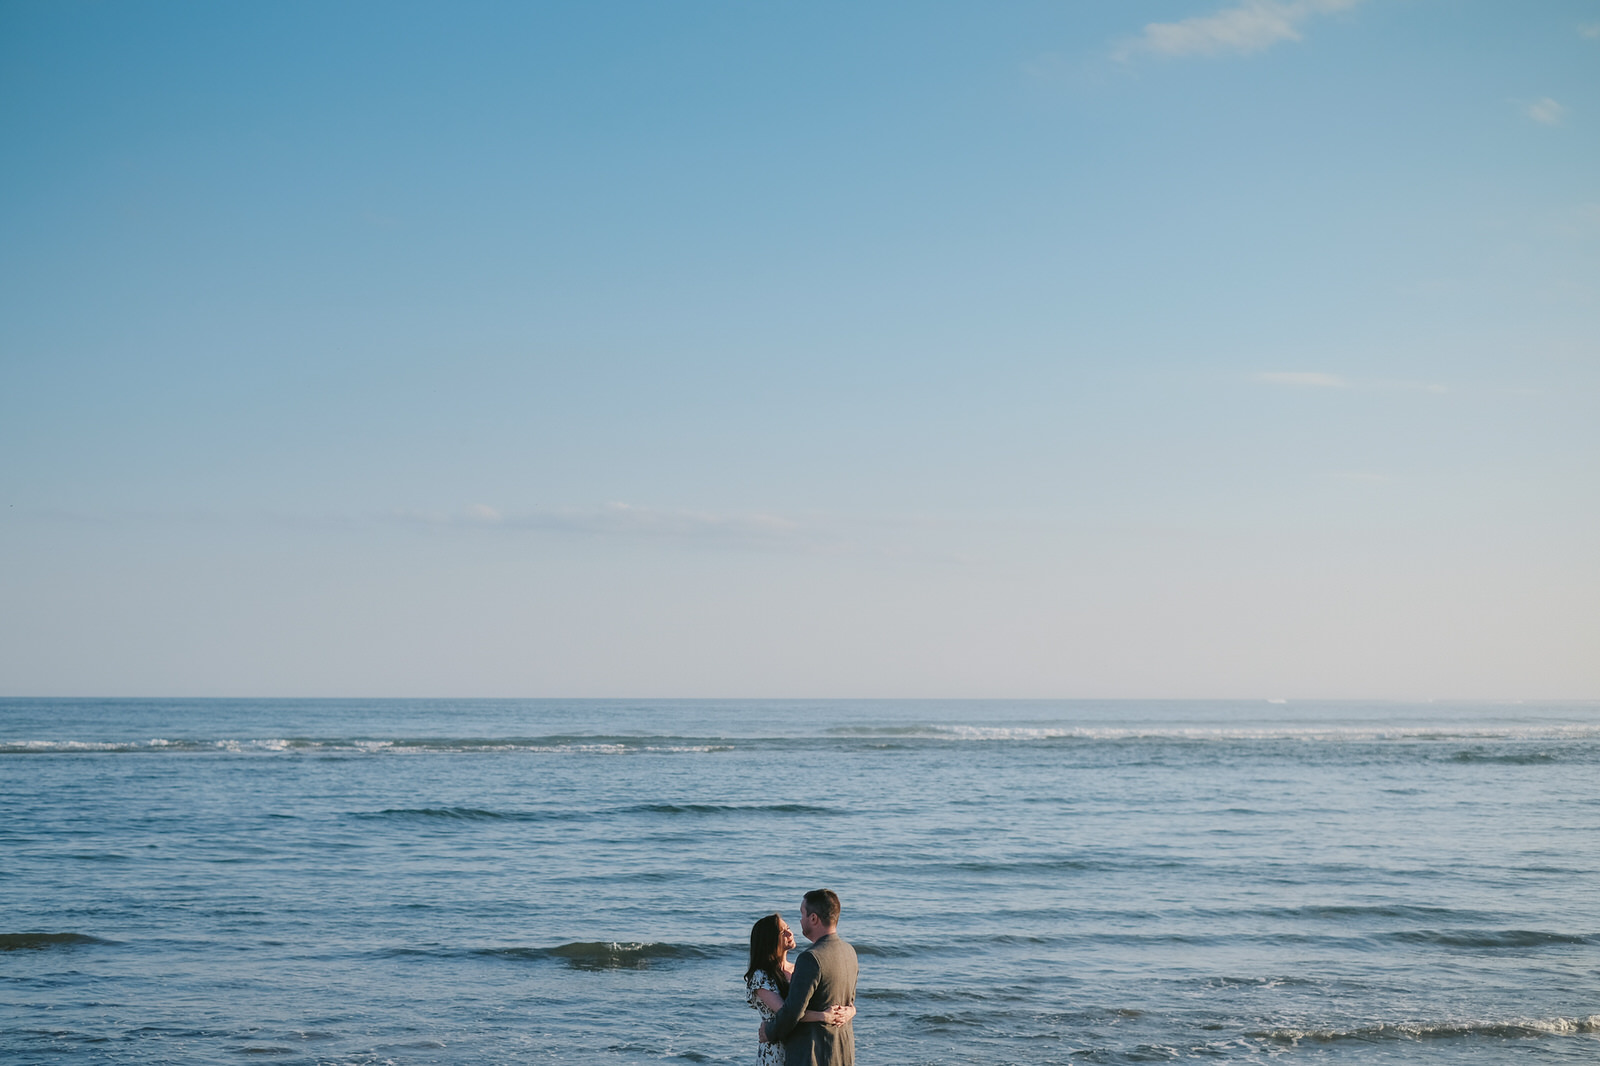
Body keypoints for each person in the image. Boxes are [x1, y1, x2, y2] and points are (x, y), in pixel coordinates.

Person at [757, 889, 858, 1066]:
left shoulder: (810, 958)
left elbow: (792, 1012)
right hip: (843, 1051)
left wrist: (768, 1032)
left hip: (812, 1054)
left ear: (813, 918)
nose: (800, 920)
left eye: (802, 914)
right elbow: (849, 1004)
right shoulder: (849, 952)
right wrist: (851, 1011)